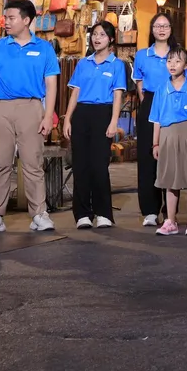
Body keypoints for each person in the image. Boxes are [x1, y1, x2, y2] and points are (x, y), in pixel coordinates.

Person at [0, 0, 60, 234]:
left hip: (31, 108)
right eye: (5, 17)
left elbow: (51, 84)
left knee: (33, 164)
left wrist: (47, 116)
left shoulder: (44, 48)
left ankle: (39, 214)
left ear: (26, 20)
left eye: (11, 18)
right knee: (0, 164)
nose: (6, 22)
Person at [64, 22, 125, 230]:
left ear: (111, 39)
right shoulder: (83, 63)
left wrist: (114, 121)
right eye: (94, 34)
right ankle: (82, 214)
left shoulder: (117, 65)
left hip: (103, 113)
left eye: (102, 35)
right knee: (80, 165)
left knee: (99, 166)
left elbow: (118, 95)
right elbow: (76, 92)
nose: (97, 38)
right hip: (82, 114)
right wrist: (67, 118)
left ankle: (103, 213)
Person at [151, 47, 187, 237]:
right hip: (167, 135)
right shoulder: (161, 89)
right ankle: (171, 221)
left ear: (185, 64)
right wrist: (156, 143)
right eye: (169, 61)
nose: (172, 65)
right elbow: (157, 120)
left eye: (177, 61)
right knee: (170, 180)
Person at [132, 13, 177, 227]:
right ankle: (149, 210)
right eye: (157, 25)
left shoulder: (178, 54)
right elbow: (139, 84)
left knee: (169, 157)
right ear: (151, 29)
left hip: (173, 103)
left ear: (171, 29)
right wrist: (147, 103)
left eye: (165, 26)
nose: (161, 29)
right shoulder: (142, 55)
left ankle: (170, 210)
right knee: (148, 157)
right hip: (150, 103)